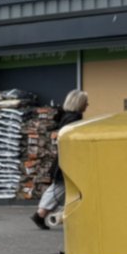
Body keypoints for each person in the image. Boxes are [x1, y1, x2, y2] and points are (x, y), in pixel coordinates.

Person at [32, 89, 88, 229]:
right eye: (85, 102)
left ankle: (43, 214)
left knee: (61, 187)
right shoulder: (74, 119)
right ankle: (40, 214)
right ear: (79, 103)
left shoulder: (66, 116)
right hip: (68, 159)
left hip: (65, 157)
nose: (88, 104)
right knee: (60, 187)